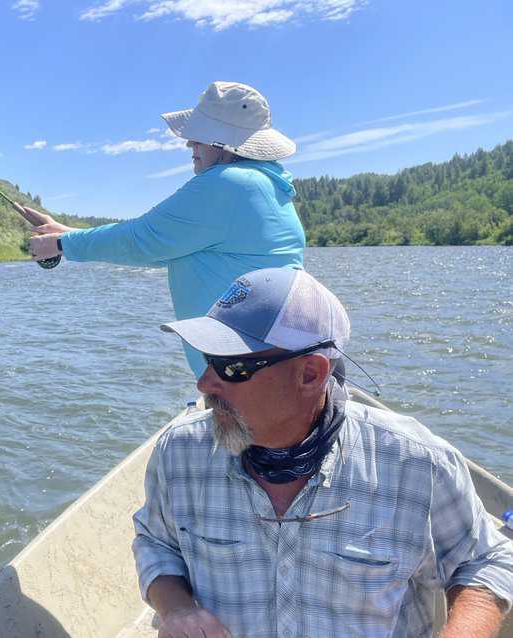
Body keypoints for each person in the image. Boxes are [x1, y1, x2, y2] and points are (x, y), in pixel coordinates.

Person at [132, 266, 513, 638]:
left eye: (230, 368)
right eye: (205, 359)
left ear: (310, 374)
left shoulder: (417, 463)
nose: (203, 383)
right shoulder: (178, 452)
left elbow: (485, 561)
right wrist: (176, 608)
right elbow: (156, 541)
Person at [27, 82, 305, 378]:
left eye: (198, 137)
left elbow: (141, 240)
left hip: (250, 377)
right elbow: (161, 246)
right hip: (267, 368)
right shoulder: (263, 185)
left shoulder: (229, 183)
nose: (189, 145)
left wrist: (61, 244)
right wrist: (65, 233)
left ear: (224, 142)